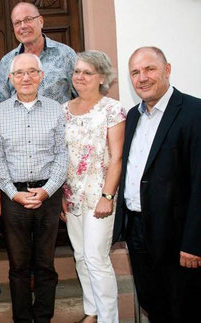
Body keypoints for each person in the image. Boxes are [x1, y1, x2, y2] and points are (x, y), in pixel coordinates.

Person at [113, 46, 201, 322]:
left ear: (167, 69)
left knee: (183, 307)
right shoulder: (134, 116)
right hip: (138, 229)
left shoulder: (194, 112)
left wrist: (194, 242)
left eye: (149, 69)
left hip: (177, 234)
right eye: (135, 72)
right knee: (153, 302)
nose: (142, 78)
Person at [0, 53, 68, 323]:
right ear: (10, 79)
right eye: (19, 73)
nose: (26, 77)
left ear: (41, 76)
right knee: (19, 266)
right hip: (14, 197)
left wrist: (47, 190)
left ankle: (43, 317)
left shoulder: (56, 109)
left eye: (32, 71)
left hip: (49, 194)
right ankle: (22, 319)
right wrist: (12, 193)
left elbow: (62, 155)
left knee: (45, 264)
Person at [59, 50, 126, 323]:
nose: (80, 77)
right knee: (80, 256)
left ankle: (110, 318)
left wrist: (107, 196)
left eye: (88, 72)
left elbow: (117, 156)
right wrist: (62, 193)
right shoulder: (64, 110)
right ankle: (93, 311)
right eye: (77, 71)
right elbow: (62, 155)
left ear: (102, 77)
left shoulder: (113, 109)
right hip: (72, 194)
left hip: (100, 195)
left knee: (97, 258)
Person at [0, 2, 76, 105]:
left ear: (41, 21)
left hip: (58, 120)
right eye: (17, 23)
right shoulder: (7, 61)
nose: (23, 26)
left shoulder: (65, 54)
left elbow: (83, 94)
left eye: (28, 20)